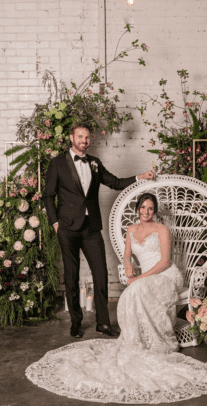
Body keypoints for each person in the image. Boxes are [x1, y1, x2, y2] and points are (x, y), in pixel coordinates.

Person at [26, 193, 207, 404]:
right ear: (137, 208)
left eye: (150, 208)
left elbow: (165, 261)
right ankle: (136, 339)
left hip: (166, 276)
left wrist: (139, 277)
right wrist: (128, 262)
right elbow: (126, 254)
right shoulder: (132, 229)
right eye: (142, 207)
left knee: (137, 288)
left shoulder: (162, 230)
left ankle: (157, 339)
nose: (146, 212)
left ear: (155, 210)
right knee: (133, 291)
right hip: (145, 278)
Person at [42, 122, 155, 339]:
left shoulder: (94, 162)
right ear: (71, 138)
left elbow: (114, 182)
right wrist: (55, 224)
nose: (84, 141)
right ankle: (76, 323)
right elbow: (49, 196)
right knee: (72, 276)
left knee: (101, 275)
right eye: (80, 136)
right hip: (67, 228)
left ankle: (103, 323)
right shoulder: (57, 163)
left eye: (87, 137)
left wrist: (140, 177)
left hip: (91, 228)